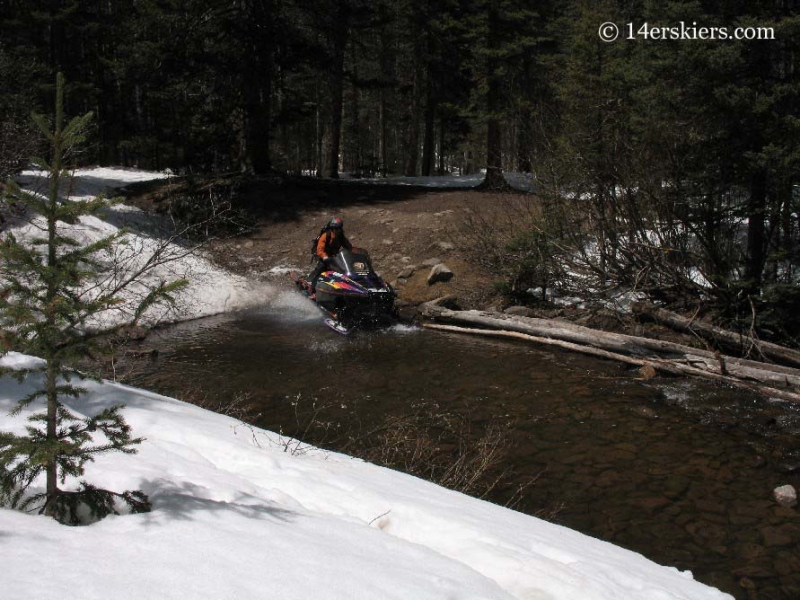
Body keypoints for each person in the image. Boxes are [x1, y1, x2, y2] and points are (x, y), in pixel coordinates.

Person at [308, 217, 352, 292]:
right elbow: (320, 249)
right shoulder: (326, 235)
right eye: (336, 228)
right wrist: (325, 257)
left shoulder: (341, 236)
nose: (338, 230)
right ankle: (312, 286)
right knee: (321, 267)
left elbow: (348, 247)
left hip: (335, 257)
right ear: (332, 228)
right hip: (323, 256)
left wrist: (351, 254)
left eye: (339, 228)